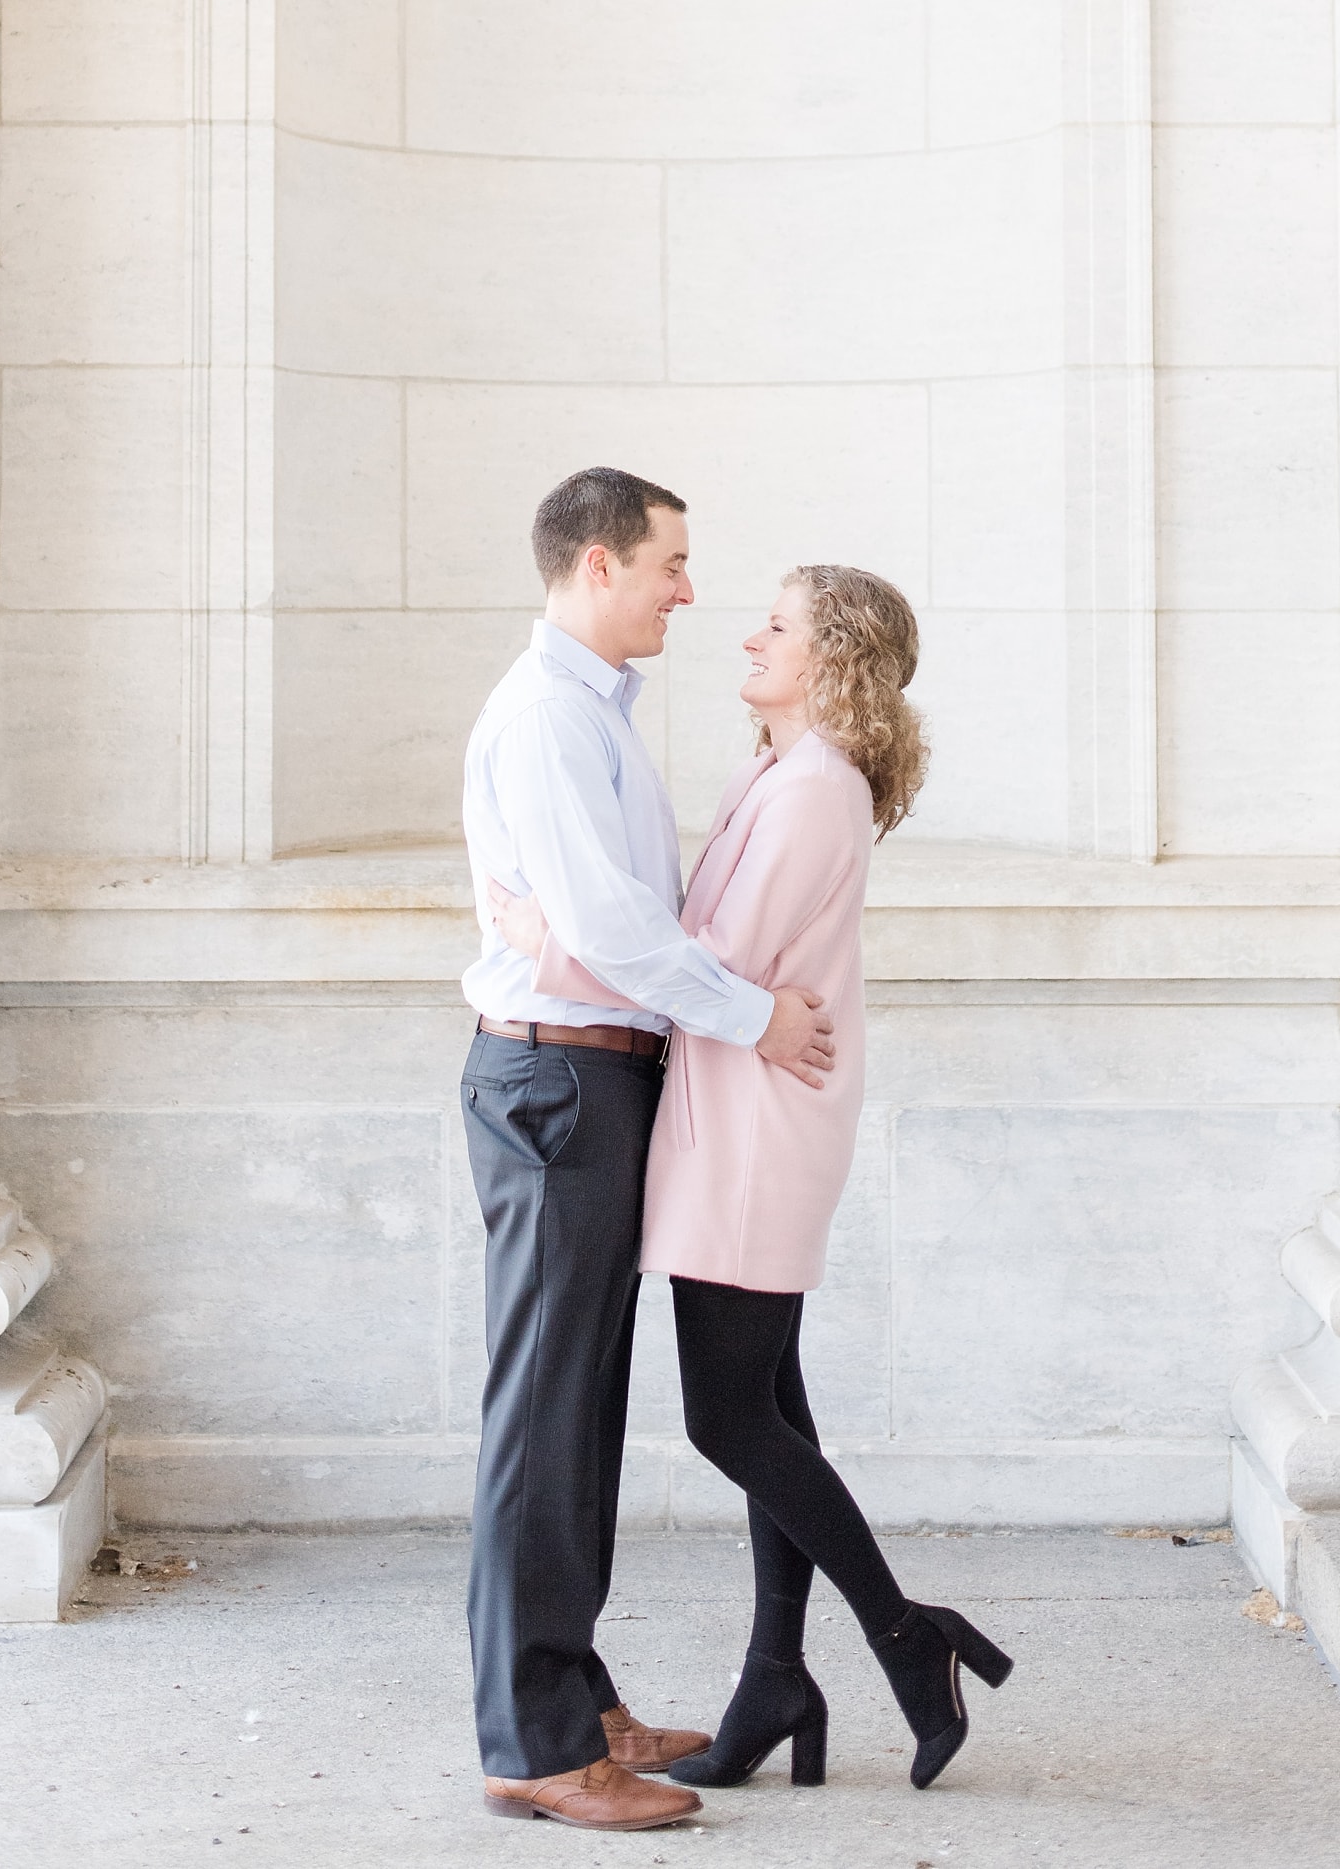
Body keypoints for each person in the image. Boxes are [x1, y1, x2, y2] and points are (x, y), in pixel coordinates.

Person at [492, 563, 1012, 1793]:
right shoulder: (776, 777)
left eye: (776, 627)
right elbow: (709, 959)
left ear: (833, 660)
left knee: (727, 1418)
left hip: (756, 1131)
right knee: (769, 1404)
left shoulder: (813, 792)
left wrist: (545, 946)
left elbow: (704, 965)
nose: (748, 638)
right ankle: (775, 1673)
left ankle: (903, 1633)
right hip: (739, 1114)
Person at [459, 467, 838, 1833]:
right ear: (601, 564)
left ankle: (573, 1694)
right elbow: (615, 941)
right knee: (545, 1413)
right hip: (561, 1084)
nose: (690, 590)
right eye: (672, 562)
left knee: (575, 1408)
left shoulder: (587, 715)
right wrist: (759, 1018)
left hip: (590, 1078)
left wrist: (618, 959)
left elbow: (614, 925)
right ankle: (538, 1743)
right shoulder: (552, 721)